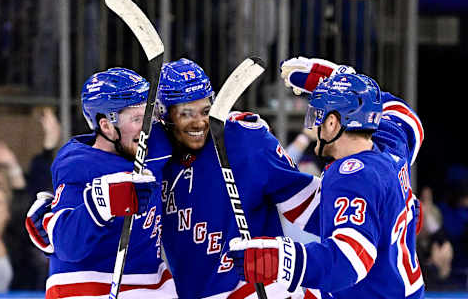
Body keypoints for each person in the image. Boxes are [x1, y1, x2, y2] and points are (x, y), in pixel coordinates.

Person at [228, 58, 426, 298]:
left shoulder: (352, 177)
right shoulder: (391, 142)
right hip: (402, 287)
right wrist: (339, 79)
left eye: (318, 116)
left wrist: (280, 259)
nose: (315, 125)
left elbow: (349, 262)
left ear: (332, 123)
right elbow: (405, 115)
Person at [155, 58, 320, 298]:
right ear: (164, 115)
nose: (199, 122)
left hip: (256, 286)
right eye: (186, 114)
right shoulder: (152, 155)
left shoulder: (243, 141)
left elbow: (307, 203)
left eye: (205, 110)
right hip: (194, 291)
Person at [25, 68, 177, 298]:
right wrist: (101, 204)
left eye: (149, 115)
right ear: (106, 126)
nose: (147, 127)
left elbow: (198, 136)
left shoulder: (153, 145)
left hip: (152, 285)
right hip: (91, 289)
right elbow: (67, 246)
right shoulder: (79, 165)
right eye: (137, 119)